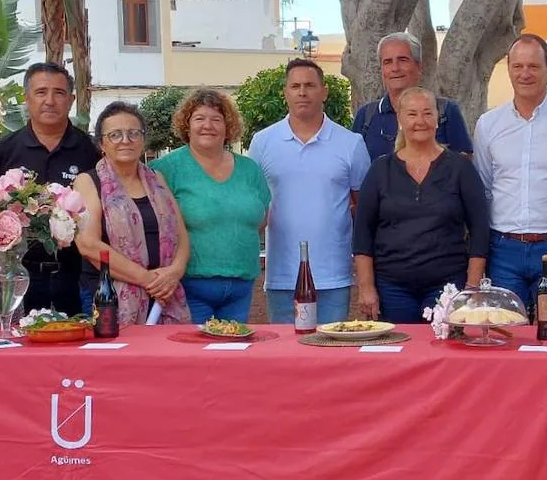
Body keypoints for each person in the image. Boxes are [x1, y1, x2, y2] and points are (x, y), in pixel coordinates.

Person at [473, 33, 547, 326]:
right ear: (509, 69)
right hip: (504, 250)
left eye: (534, 66)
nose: (525, 74)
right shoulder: (488, 125)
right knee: (505, 334)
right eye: (518, 66)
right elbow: (485, 186)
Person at [249, 58, 371, 324]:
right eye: (295, 86)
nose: (302, 92)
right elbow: (253, 206)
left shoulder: (351, 143)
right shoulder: (262, 142)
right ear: (285, 93)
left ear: (324, 91)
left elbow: (363, 209)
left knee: (330, 356)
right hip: (281, 275)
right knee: (286, 357)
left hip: (333, 275)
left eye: (309, 85)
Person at [353, 87, 488, 322]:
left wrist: (472, 286)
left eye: (427, 113)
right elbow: (362, 233)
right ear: (400, 119)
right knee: (398, 353)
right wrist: (366, 287)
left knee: (444, 354)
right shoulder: (380, 170)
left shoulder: (460, 169)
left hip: (447, 286)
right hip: (391, 288)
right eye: (412, 114)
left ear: (437, 119)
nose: (420, 121)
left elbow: (479, 230)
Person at [0, 62, 101, 315]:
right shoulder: (2, 153)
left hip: (77, 278)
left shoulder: (91, 152)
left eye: (59, 93)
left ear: (70, 100)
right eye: (41, 92)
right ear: (27, 98)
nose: (50, 101)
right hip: (19, 277)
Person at [150, 89, 270, 324]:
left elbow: (261, 217)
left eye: (216, 119)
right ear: (186, 125)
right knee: (196, 356)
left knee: (233, 354)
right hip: (188, 285)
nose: (208, 126)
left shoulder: (250, 169)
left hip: (241, 284)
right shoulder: (166, 169)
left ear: (228, 127)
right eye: (199, 119)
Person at [73, 102, 191, 326]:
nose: (125, 140)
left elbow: (181, 233)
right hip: (108, 299)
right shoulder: (87, 182)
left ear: (143, 140)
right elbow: (88, 244)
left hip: (164, 296)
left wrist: (175, 272)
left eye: (133, 133)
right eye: (115, 135)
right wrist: (149, 280)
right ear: (102, 144)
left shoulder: (158, 179)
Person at [352, 32, 473, 159]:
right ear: (381, 70)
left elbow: (464, 163)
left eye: (402, 60)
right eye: (388, 62)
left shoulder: (445, 110)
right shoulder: (366, 116)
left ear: (419, 67)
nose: (395, 68)